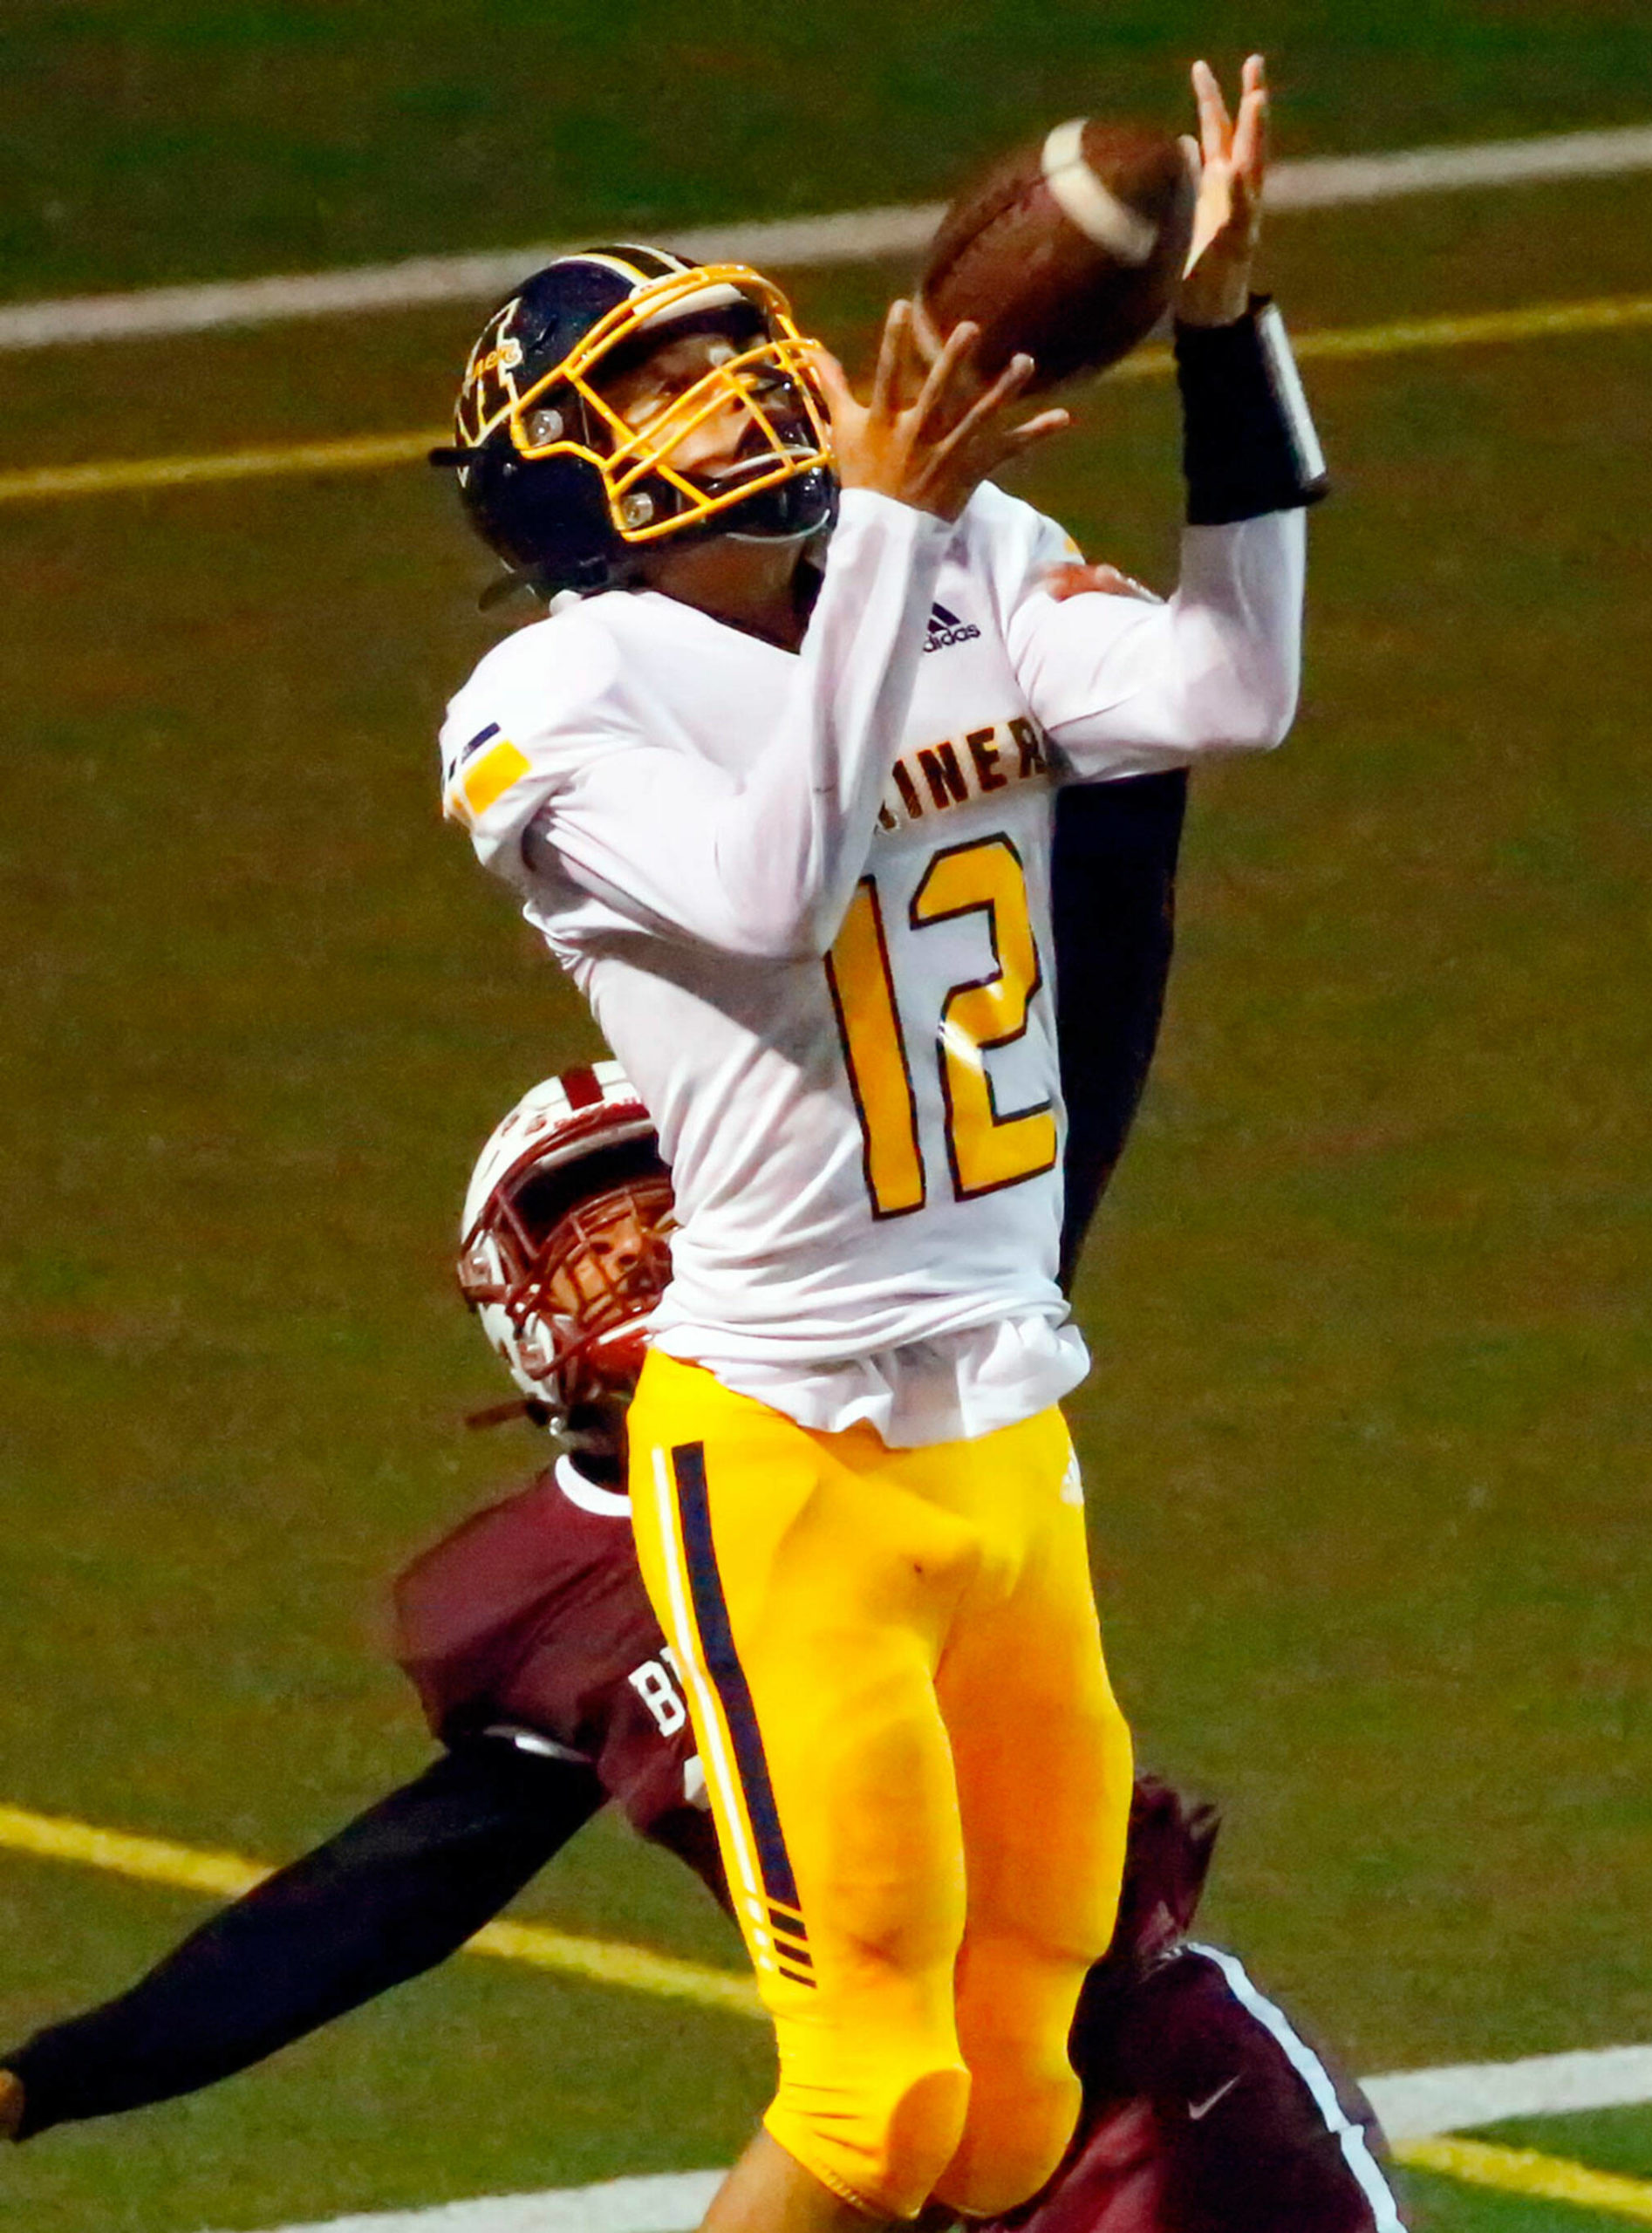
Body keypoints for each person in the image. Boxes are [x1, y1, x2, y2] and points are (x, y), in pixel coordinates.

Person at [433, 52, 1322, 2233]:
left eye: (741, 346)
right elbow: (762, 888)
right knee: (866, 2097)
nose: (740, 390)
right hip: (785, 1444)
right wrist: (901, 530)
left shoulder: (965, 557)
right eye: (663, 377)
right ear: (558, 478)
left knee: (1022, 2062)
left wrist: (1225, 342)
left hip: (1004, 1404)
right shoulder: (551, 706)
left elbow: (1232, 691)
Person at [0, 1064, 1401, 2233]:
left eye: (667, 1193)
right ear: (511, 1299)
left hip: (1144, 2097)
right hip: (889, 2160)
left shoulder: (894, 1402)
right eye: (584, 1220)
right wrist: (50, 2075)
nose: (637, 1241)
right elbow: (391, 1895)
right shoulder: (547, 1591)